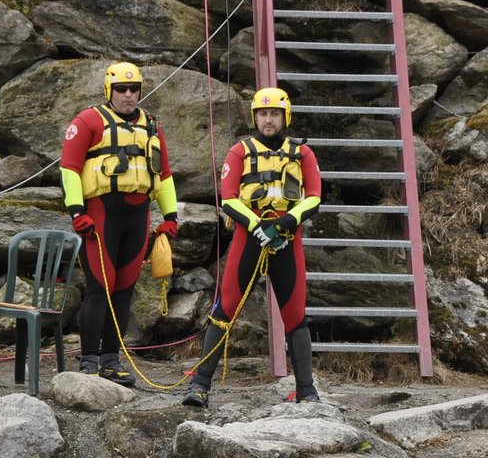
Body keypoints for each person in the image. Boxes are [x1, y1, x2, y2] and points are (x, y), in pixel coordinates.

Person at [181, 87, 322, 409]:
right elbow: (229, 199)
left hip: (286, 240)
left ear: (285, 117)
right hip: (249, 239)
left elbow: (314, 197)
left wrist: (285, 223)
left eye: (274, 114)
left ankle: (306, 389)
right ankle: (200, 385)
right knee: (225, 309)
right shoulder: (239, 152)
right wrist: (258, 227)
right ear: (254, 116)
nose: (268, 119)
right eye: (262, 113)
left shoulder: (302, 154)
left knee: (295, 315)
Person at [59, 61, 179, 386]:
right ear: (109, 91)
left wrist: (170, 217)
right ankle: (88, 361)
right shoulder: (88, 121)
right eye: (122, 90)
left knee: (124, 290)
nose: (128, 95)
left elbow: (164, 175)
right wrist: (76, 212)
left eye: (134, 89)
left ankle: (112, 360)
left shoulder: (152, 125)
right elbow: (69, 168)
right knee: (100, 289)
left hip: (138, 217)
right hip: (101, 215)